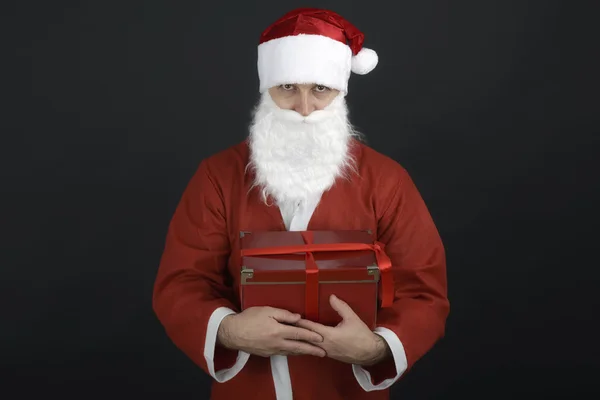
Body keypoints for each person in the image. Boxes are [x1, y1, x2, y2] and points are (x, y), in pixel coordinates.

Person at [152, 7, 449, 400]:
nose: (305, 109)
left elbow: (424, 291)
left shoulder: (387, 180)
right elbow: (181, 282)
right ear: (267, 89)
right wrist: (229, 330)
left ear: (340, 91)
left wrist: (377, 347)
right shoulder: (218, 176)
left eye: (320, 89)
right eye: (288, 87)